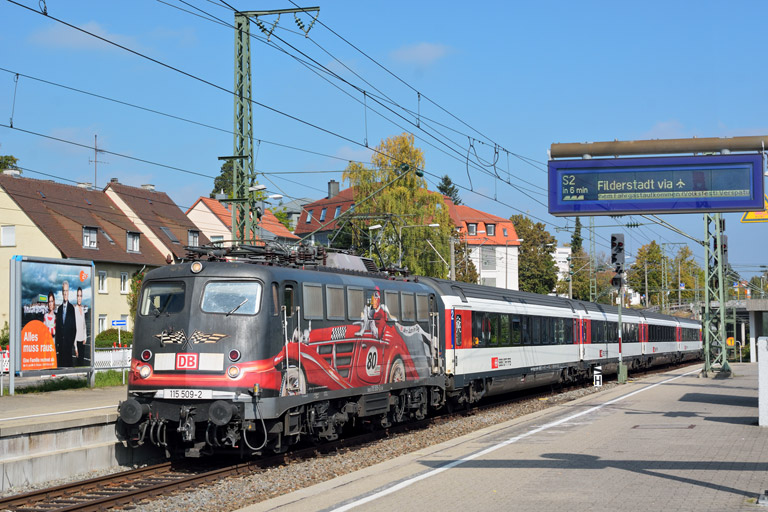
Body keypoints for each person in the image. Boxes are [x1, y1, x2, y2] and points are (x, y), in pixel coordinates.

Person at [55, 280, 76, 367]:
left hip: (68, 345)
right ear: (62, 292)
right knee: (60, 367)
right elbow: (58, 328)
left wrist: (70, 343)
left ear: (69, 292)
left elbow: (74, 329)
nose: (65, 293)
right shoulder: (59, 309)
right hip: (61, 346)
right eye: (64, 291)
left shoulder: (71, 308)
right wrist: (58, 343)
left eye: (67, 291)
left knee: (68, 367)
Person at [74, 287, 87, 366]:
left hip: (83, 341)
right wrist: (75, 347)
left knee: (82, 363)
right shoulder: (74, 310)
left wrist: (85, 337)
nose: (79, 298)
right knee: (78, 363)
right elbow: (74, 329)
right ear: (76, 297)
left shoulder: (82, 309)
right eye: (78, 296)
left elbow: (84, 326)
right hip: (77, 341)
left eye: (80, 296)